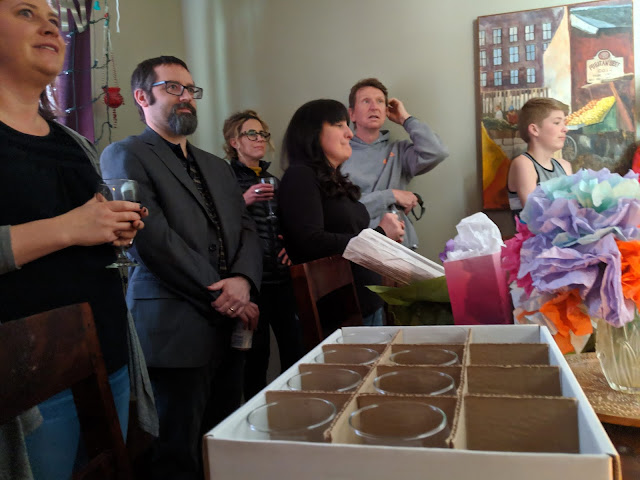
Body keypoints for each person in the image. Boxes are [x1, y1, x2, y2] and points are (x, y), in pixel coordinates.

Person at [0, 1, 150, 478]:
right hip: (31, 387)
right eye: (25, 13)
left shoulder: (74, 142)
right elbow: (70, 228)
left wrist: (113, 229)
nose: (50, 26)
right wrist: (71, 228)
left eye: (53, 19)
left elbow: (89, 231)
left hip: (110, 359)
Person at [100, 56, 262, 480]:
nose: (186, 96)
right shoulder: (126, 154)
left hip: (230, 324)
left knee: (224, 441)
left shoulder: (217, 166)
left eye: (190, 89)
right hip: (172, 324)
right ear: (141, 96)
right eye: (173, 87)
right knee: (176, 454)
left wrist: (244, 281)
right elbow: (152, 240)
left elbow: (246, 228)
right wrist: (224, 292)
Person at [278, 99, 405, 331]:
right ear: (312, 133)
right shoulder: (300, 176)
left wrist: (383, 240)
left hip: (365, 304)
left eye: (347, 125)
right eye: (339, 125)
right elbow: (310, 242)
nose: (349, 133)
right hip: (340, 315)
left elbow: (348, 238)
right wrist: (379, 235)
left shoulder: (334, 181)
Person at [223, 109, 303, 398]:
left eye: (262, 134)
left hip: (281, 279)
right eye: (251, 133)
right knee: (255, 357)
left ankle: (296, 406)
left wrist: (289, 249)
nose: (259, 139)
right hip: (251, 283)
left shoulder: (274, 180)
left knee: (295, 348)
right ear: (234, 142)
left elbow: (287, 224)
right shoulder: (224, 179)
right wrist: (243, 200)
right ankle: (255, 412)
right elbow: (217, 225)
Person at [341, 78, 449, 250]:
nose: (374, 107)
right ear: (352, 114)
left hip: (399, 248)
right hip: (357, 248)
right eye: (366, 101)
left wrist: (405, 119)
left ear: (386, 111)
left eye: (380, 101)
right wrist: (392, 195)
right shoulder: (339, 153)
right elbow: (342, 212)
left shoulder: (399, 151)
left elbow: (437, 151)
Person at [507, 97, 572, 218]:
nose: (565, 129)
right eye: (557, 123)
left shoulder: (565, 166)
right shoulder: (523, 164)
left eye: (565, 123)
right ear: (534, 129)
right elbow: (535, 215)